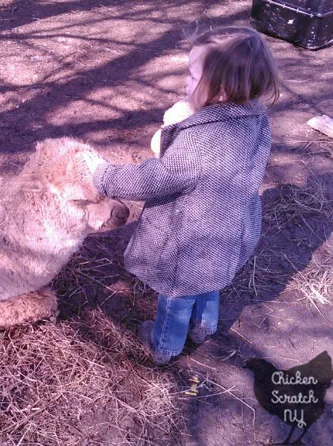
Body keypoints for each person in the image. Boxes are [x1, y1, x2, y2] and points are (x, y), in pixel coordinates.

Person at [84, 26, 280, 365]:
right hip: (229, 231)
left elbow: (156, 178)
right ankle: (204, 327)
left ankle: (164, 346)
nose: (184, 83)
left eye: (191, 76)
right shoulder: (256, 119)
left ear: (219, 90)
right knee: (210, 281)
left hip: (190, 242)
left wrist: (104, 176)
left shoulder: (203, 141)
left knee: (176, 295)